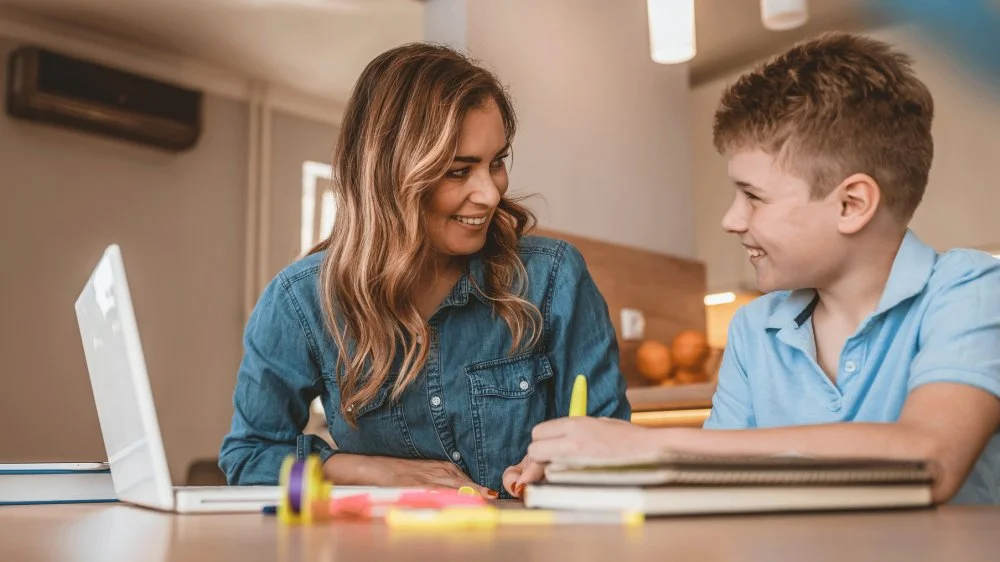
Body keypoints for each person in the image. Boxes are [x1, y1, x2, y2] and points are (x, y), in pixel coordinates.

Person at [522, 32, 1000, 504]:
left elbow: (930, 459)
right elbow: (711, 478)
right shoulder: (755, 328)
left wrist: (649, 442)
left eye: (753, 196)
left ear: (852, 204)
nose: (731, 220)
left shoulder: (970, 290)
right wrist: (589, 462)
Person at [218, 42, 630, 498]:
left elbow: (615, 448)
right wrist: (370, 471)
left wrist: (567, 467)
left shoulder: (553, 277)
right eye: (458, 171)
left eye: (496, 163)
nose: (490, 194)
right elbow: (250, 455)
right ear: (390, 176)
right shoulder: (302, 301)